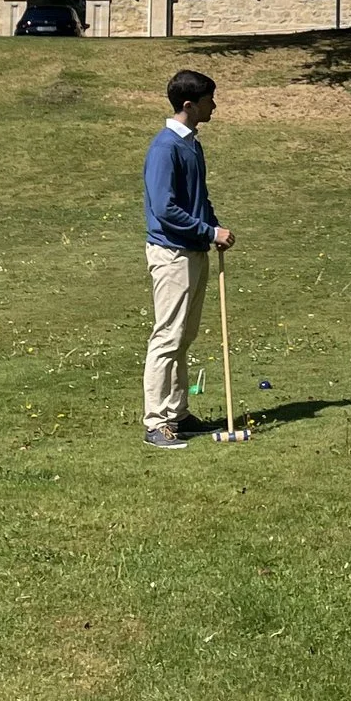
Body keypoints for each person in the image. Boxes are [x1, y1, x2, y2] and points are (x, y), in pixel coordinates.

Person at [142, 68, 234, 448]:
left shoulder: (192, 144)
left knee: (184, 335)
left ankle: (178, 414)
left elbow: (199, 197)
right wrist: (209, 232)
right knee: (167, 336)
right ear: (189, 105)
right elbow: (165, 209)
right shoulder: (165, 148)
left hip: (193, 251)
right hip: (171, 253)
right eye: (209, 99)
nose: (214, 105)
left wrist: (213, 226)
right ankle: (156, 422)